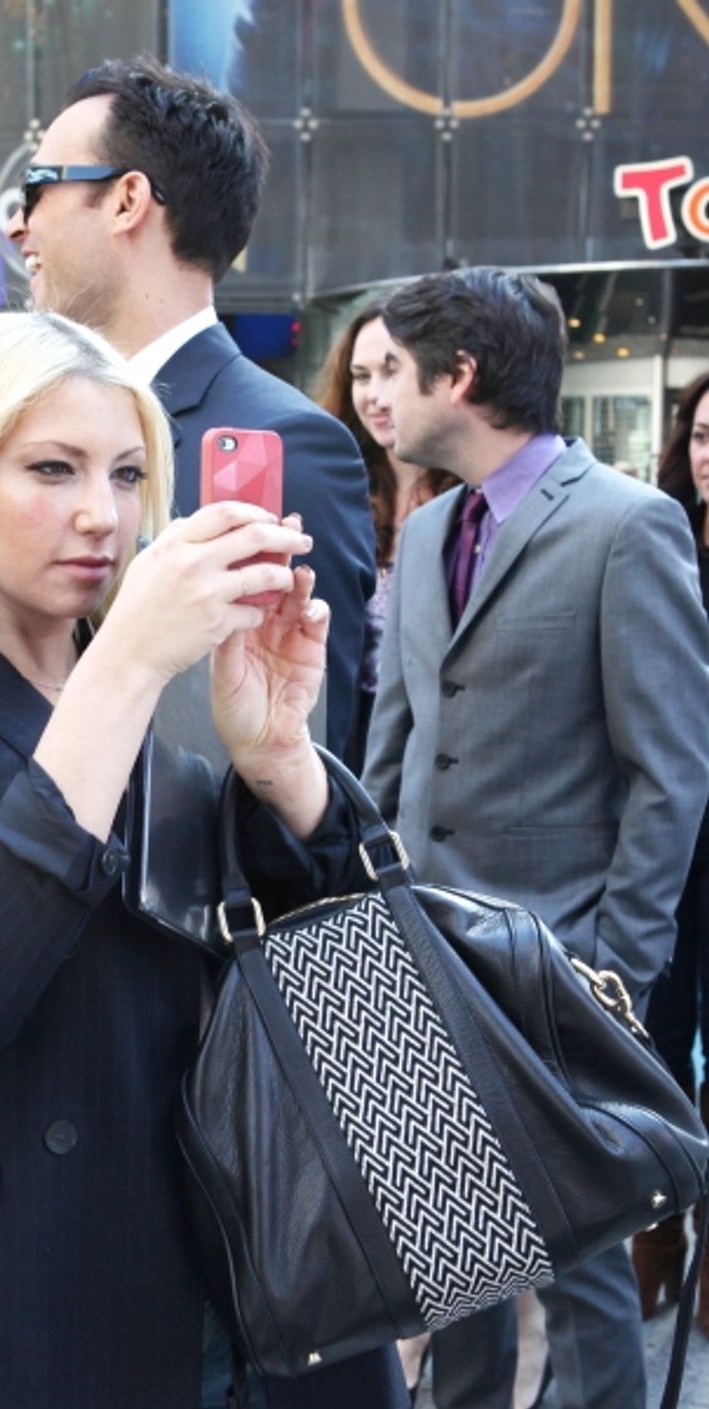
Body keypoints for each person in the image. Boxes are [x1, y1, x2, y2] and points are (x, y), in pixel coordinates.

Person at [0, 309, 406, 1409]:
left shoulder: (180, 671)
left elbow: (357, 973)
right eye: (51, 468)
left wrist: (278, 756)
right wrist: (120, 666)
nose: (100, 514)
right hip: (30, 1293)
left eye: (126, 473)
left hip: (260, 1260)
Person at [362, 270, 709, 1409]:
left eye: (389, 370)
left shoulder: (624, 522)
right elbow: (391, 753)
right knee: (451, 1272)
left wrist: (616, 966)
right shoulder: (420, 537)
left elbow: (666, 772)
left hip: (561, 969)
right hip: (419, 964)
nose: (375, 395)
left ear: (455, 377)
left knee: (579, 1269)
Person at [5, 54, 375, 758]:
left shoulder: (282, 440)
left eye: (37, 188)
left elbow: (306, 752)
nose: (20, 227)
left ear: (127, 200)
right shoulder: (37, 424)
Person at [636, 369, 709, 1327]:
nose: (708, 454)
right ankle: (655, 1238)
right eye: (699, 435)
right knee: (655, 1032)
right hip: (669, 828)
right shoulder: (661, 540)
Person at [311, 303, 458, 770]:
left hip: (438, 743)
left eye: (390, 371)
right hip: (340, 734)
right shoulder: (332, 486)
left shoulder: (470, 496)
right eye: (360, 375)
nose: (374, 395)